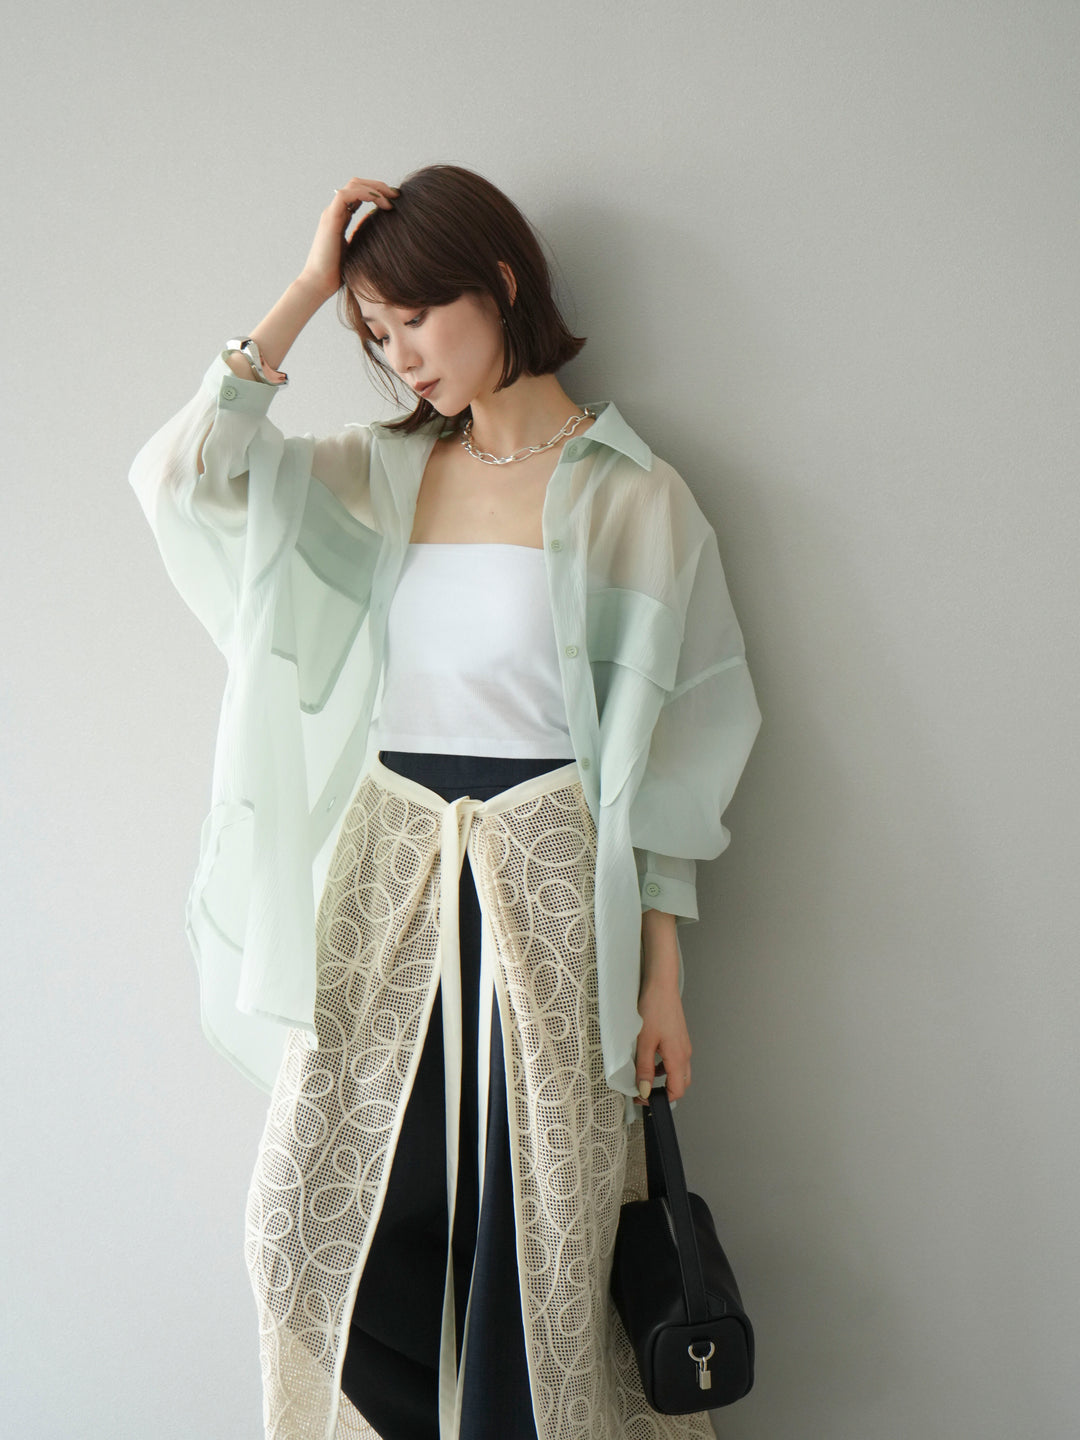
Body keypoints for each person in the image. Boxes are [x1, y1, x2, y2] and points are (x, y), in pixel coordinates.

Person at [128, 164, 761, 1440]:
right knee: (303, 1231)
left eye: (413, 319)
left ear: (502, 283)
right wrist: (307, 288)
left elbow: (676, 759)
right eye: (375, 334)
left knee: (539, 1255)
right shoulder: (377, 473)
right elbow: (186, 479)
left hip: (553, 888)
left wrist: (663, 978)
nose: (398, 357)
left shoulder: (637, 496)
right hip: (389, 874)